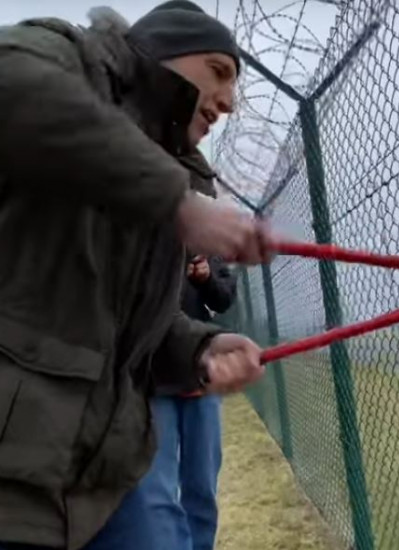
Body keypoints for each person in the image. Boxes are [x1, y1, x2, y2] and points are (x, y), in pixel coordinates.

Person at [0, 2, 270, 549]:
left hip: (89, 480)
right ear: (163, 52)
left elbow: (117, 322)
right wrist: (176, 202)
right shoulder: (73, 59)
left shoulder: (170, 171)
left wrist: (196, 349)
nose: (228, 101)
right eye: (218, 72)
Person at [136, 201, 240, 547]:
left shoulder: (205, 246)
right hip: (154, 380)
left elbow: (225, 297)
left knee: (201, 486)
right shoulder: (141, 236)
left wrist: (206, 278)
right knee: (157, 490)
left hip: (199, 379)